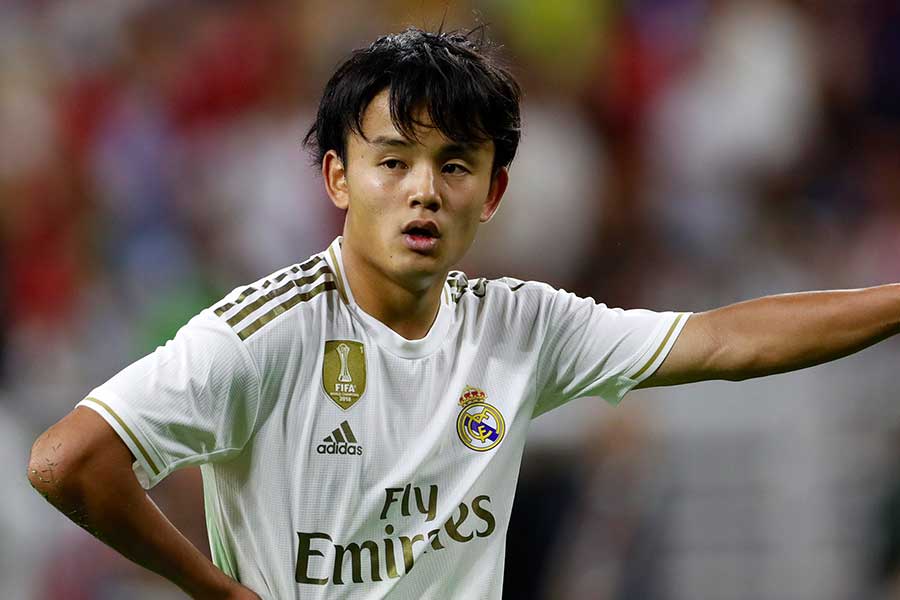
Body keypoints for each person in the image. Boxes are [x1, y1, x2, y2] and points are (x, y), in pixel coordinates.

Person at [27, 27, 900, 600]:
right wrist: (217, 591)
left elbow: (727, 340)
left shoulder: (521, 326)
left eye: (453, 165)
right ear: (337, 178)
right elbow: (67, 461)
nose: (424, 191)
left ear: (493, 192)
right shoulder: (265, 334)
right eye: (393, 162)